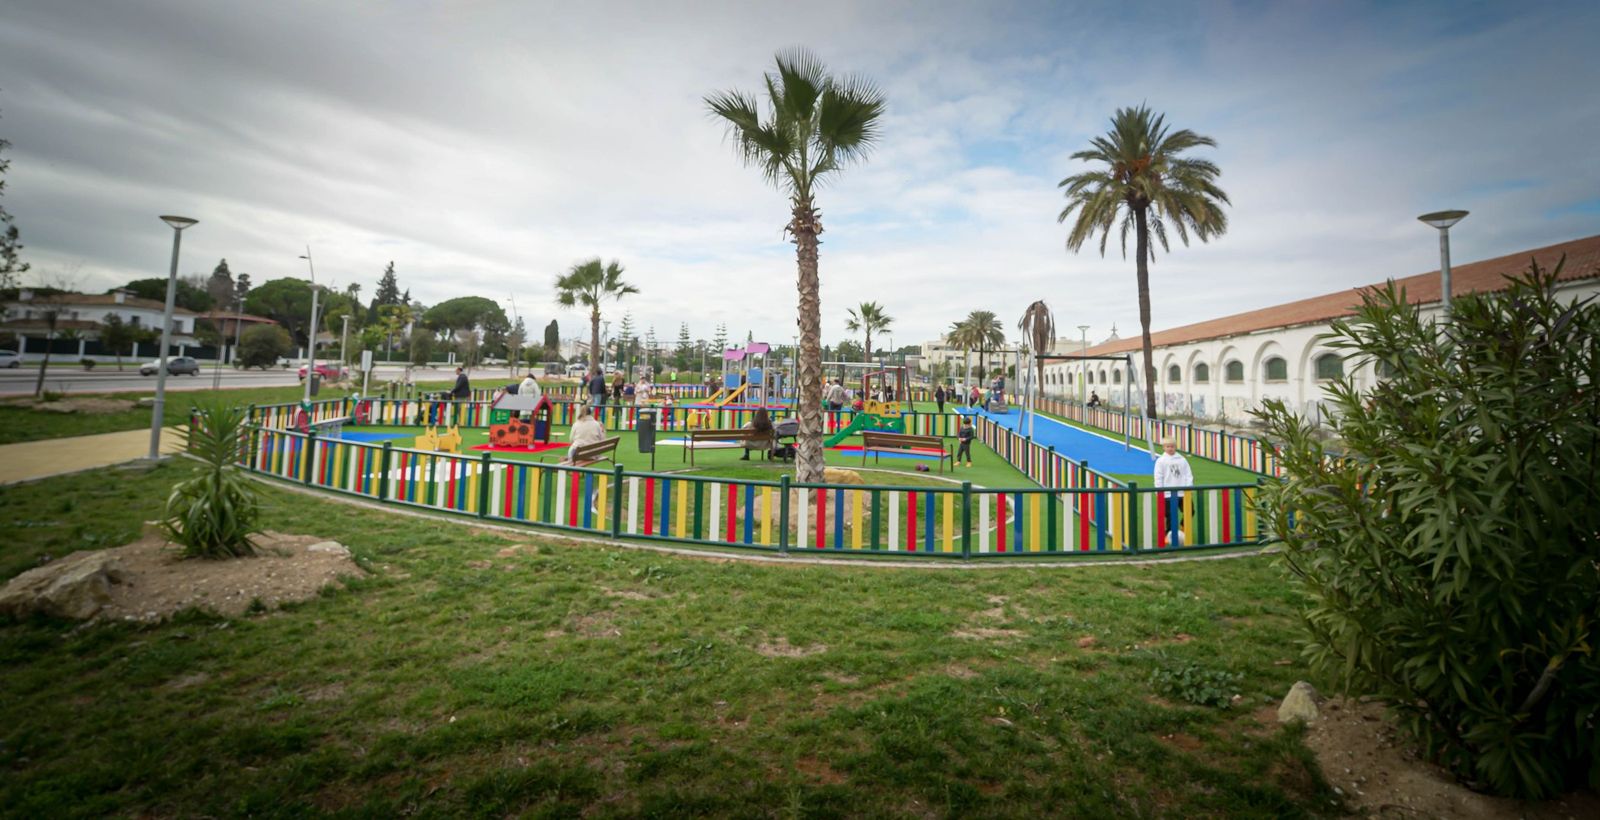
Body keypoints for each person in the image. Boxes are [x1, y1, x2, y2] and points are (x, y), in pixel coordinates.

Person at [1152, 437, 1194, 546]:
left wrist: (1188, 488)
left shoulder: (1182, 459)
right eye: (1168, 446)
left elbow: (1188, 474)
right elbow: (1158, 477)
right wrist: (1159, 491)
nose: (1170, 448)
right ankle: (1168, 535)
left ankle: (1182, 527)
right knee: (1170, 516)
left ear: (1175, 447)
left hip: (1182, 492)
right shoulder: (1161, 461)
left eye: (1172, 446)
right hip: (1167, 494)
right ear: (1164, 448)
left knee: (1190, 511)